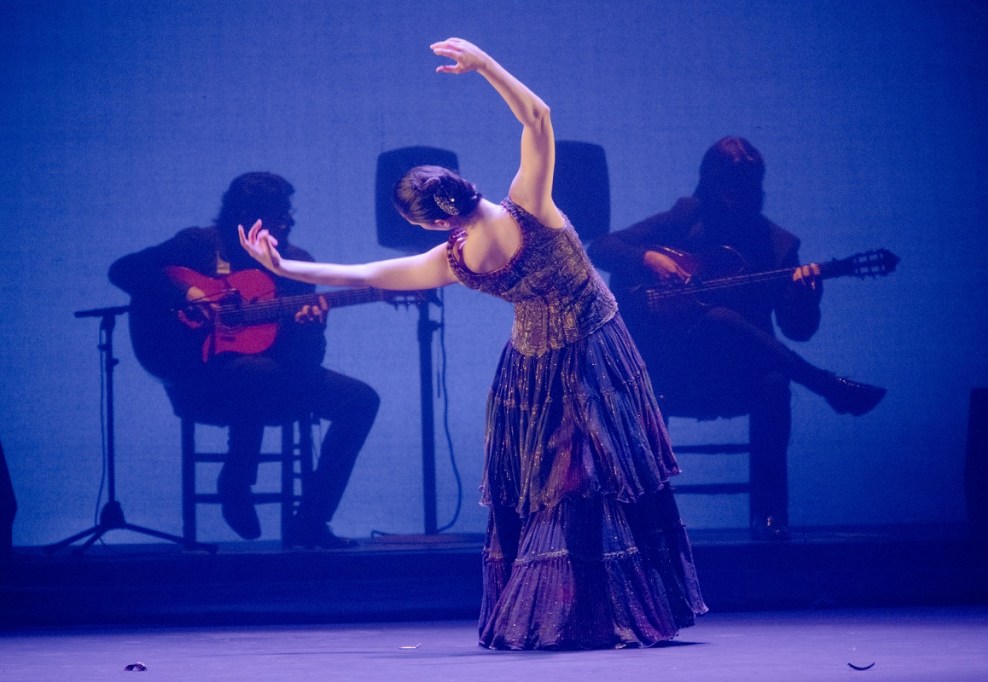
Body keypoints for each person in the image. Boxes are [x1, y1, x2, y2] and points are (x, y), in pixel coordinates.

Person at [239, 38, 706, 650]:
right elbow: (538, 116)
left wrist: (288, 268)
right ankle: (607, 613)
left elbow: (372, 273)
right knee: (596, 482)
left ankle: (572, 615)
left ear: (433, 221)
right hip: (583, 351)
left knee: (557, 488)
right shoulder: (528, 204)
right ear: (462, 187)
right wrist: (485, 66)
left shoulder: (457, 258)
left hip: (551, 364)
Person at [587, 137, 887, 541]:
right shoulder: (685, 218)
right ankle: (824, 384)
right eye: (729, 188)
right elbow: (602, 247)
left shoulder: (778, 245)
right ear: (711, 185)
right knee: (717, 318)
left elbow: (798, 330)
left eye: (748, 188)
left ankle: (770, 515)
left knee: (768, 375)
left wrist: (807, 297)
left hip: (737, 377)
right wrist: (649, 258)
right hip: (677, 371)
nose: (739, 198)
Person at [109, 172, 379, 548]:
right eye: (277, 215)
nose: (287, 222)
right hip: (201, 379)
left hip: (276, 379)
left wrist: (310, 329)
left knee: (361, 400)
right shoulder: (200, 245)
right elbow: (124, 270)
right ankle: (237, 480)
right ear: (245, 217)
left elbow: (303, 362)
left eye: (288, 213)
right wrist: (187, 292)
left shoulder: (296, 263)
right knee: (256, 371)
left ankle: (311, 521)